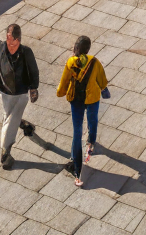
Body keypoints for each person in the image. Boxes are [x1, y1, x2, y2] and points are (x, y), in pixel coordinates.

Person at [56, 35, 109, 186]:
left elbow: (64, 81)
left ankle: (76, 163)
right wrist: (103, 88)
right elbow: (102, 80)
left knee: (77, 131)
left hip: (76, 100)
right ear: (88, 49)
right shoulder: (94, 61)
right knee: (92, 120)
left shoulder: (70, 63)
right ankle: (91, 142)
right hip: (92, 98)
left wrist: (60, 92)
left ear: (76, 48)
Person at [0, 23, 39, 170]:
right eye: (9, 41)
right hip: (4, 91)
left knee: (8, 120)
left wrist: (33, 88)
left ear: (19, 40)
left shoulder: (26, 52)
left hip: (21, 93)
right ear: (7, 37)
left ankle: (5, 153)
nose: (12, 46)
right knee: (10, 117)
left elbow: (34, 71)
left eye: (15, 43)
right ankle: (24, 125)